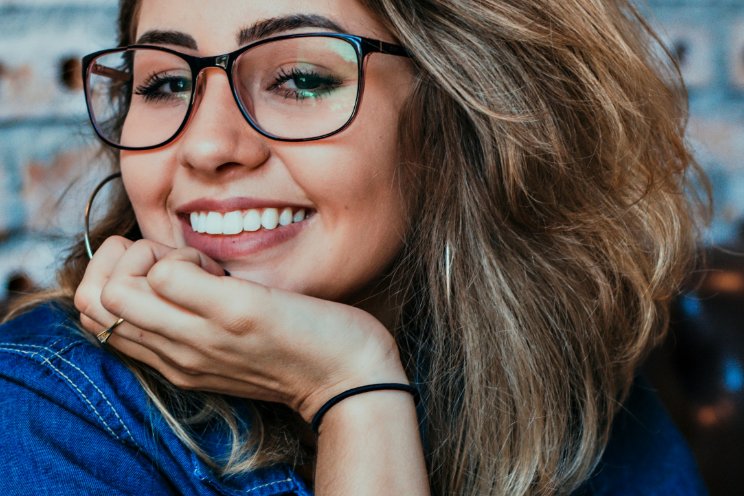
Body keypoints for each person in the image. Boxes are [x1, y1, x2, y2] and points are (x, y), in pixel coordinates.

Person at [0, 0, 709, 494]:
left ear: (460, 114)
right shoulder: (44, 409)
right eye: (165, 82)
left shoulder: (556, 369)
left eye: (301, 78)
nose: (208, 144)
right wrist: (353, 394)